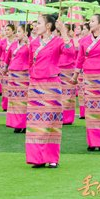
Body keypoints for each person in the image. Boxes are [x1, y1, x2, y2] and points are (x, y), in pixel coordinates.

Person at [73, 14, 100, 151]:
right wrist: (75, 76)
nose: (90, 23)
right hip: (89, 76)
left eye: (93, 21)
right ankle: (93, 141)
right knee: (91, 109)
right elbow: (80, 58)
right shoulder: (84, 40)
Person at [26, 14, 65, 169]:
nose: (36, 26)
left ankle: (52, 157)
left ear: (48, 26)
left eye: (39, 23)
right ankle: (37, 158)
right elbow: (30, 62)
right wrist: (33, 74)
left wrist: (64, 31)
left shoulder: (58, 41)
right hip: (35, 85)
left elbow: (70, 51)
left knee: (51, 121)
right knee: (36, 122)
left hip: (51, 84)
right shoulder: (33, 43)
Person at [3, 24, 31, 133]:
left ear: (25, 33)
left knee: (23, 100)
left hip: (23, 75)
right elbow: (7, 58)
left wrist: (28, 44)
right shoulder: (14, 44)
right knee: (14, 100)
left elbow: (32, 57)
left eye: (20, 31)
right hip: (13, 75)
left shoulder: (29, 45)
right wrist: (5, 68)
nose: (17, 34)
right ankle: (16, 124)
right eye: (17, 31)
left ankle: (24, 124)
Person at [58, 23, 79, 125]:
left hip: (69, 69)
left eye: (64, 29)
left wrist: (72, 37)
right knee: (60, 94)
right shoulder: (58, 40)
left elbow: (74, 51)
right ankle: (60, 116)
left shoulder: (73, 41)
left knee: (69, 95)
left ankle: (68, 118)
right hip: (59, 69)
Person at [0, 24, 16, 111]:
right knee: (5, 87)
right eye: (6, 30)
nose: (6, 32)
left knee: (13, 87)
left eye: (8, 30)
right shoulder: (3, 42)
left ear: (13, 31)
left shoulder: (17, 42)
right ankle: (5, 105)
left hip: (14, 66)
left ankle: (13, 105)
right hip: (4, 67)